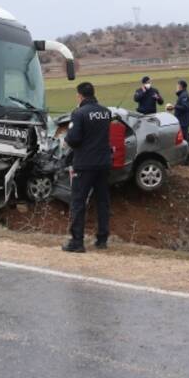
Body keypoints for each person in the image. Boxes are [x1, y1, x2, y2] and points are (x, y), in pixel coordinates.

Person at [62, 82, 114, 253]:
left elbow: (74, 139)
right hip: (104, 163)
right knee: (102, 202)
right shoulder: (106, 112)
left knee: (78, 201)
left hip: (84, 164)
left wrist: (67, 137)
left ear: (80, 95)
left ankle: (77, 241)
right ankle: (102, 239)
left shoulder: (79, 113)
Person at [167, 79, 189, 164]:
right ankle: (186, 159)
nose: (176, 87)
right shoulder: (182, 95)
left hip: (183, 121)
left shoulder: (184, 95)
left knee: (185, 140)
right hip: (182, 121)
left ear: (181, 86)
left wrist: (174, 106)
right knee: (184, 140)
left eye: (177, 85)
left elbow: (185, 107)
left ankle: (187, 160)